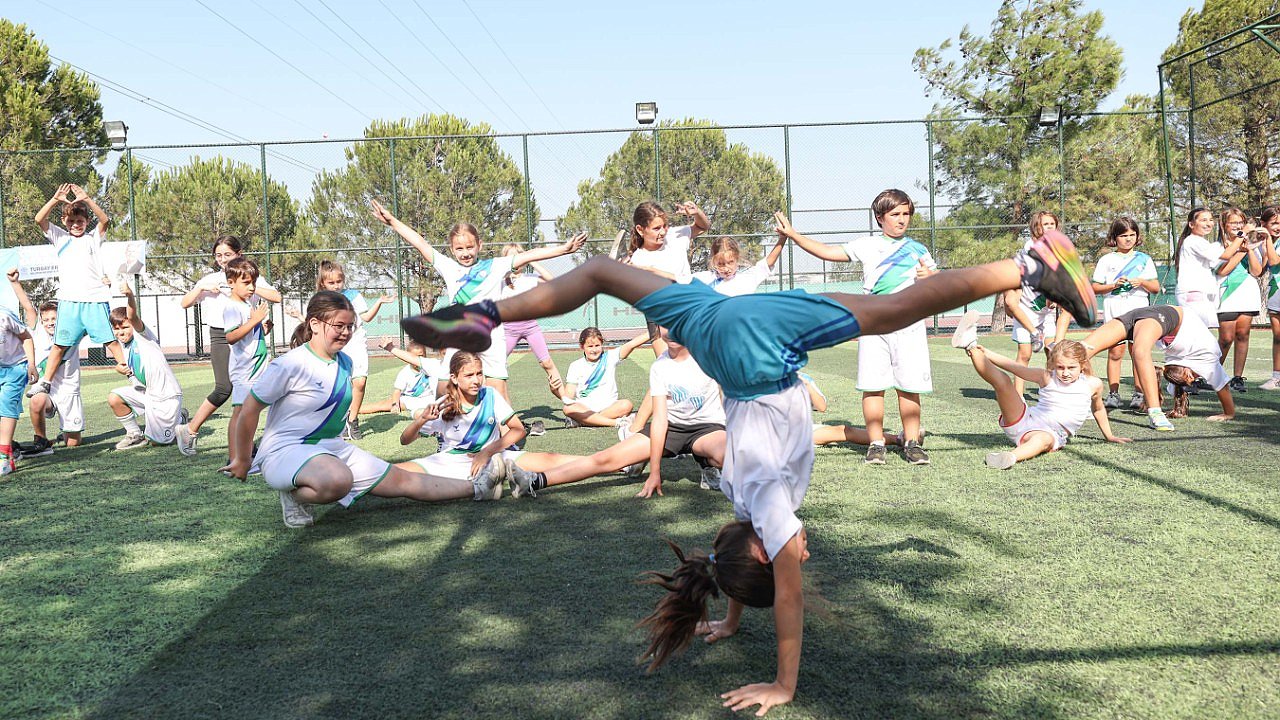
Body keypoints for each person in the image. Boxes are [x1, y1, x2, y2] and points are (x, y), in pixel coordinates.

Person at [402, 224, 1097, 715]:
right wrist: (730, 619)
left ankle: (1031, 267)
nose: (800, 556)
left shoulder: (766, 509)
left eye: (781, 557)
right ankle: (482, 316)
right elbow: (736, 556)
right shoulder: (744, 507)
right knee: (600, 274)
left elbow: (784, 588)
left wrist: (784, 684)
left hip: (755, 353)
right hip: (722, 327)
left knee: (893, 310)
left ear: (762, 549)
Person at [221, 292, 509, 529]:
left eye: (350, 326)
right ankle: (294, 495)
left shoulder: (345, 362)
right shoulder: (289, 364)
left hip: (331, 448)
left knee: (401, 481)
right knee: (338, 480)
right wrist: (243, 459)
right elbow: (249, 410)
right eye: (339, 325)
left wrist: (480, 486)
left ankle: (478, 487)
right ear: (315, 324)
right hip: (285, 450)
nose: (346, 332)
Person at [369, 199, 584, 402]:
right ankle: (447, 426)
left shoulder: (495, 265)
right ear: (452, 249)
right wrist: (392, 221)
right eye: (459, 248)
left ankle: (503, 429)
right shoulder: (448, 267)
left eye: (470, 247)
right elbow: (420, 243)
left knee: (498, 393)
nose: (465, 253)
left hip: (492, 336)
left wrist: (563, 249)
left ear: (479, 245)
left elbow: (530, 255)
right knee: (444, 388)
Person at [776, 190, 935, 465]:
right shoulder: (867, 245)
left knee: (909, 387)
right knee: (873, 387)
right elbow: (827, 252)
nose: (901, 219)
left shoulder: (918, 249)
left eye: (906, 214)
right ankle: (876, 444)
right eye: (895, 214)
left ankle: (911, 443)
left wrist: (929, 278)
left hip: (909, 326)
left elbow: (937, 283)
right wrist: (793, 235)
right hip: (873, 324)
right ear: (879, 218)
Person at [515, 327, 727, 497]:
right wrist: (655, 472)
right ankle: (534, 480)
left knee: (730, 457)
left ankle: (707, 463)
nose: (671, 331)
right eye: (665, 324)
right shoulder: (660, 366)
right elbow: (661, 420)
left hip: (707, 430)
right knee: (604, 459)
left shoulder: (709, 355)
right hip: (671, 428)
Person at [950, 311, 1129, 469]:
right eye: (1060, 367)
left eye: (1071, 368)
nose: (1065, 373)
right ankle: (970, 344)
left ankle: (1009, 457)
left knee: (1042, 440)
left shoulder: (1093, 384)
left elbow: (1098, 409)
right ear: (1053, 365)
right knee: (1003, 381)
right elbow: (1014, 367)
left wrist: (1109, 436)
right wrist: (986, 352)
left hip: (1049, 433)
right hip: (1023, 418)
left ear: (1082, 365)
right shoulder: (1046, 377)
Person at [178, 236, 282, 450]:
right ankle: (191, 430)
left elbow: (276, 297)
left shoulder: (248, 276)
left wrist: (247, 283)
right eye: (218, 255)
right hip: (221, 336)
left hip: (249, 336)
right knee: (225, 388)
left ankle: (245, 446)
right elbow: (185, 303)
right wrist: (201, 288)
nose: (223, 259)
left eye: (227, 254)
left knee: (252, 395)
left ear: (239, 253)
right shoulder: (212, 279)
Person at [29, 184, 125, 397]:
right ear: (64, 221)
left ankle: (131, 374)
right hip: (69, 302)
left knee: (111, 341)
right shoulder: (60, 237)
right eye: (71, 221)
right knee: (59, 345)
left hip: (94, 300)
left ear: (87, 222)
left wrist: (87, 199)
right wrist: (55, 199)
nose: (75, 224)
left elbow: (105, 220)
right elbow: (39, 219)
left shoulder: (93, 238)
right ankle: (46, 382)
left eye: (80, 221)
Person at [1075, 304, 1235, 427]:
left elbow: (1178, 384)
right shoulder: (1208, 356)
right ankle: (1155, 412)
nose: (1196, 378)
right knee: (1139, 351)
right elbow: (1222, 386)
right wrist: (1229, 413)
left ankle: (1081, 404)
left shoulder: (1177, 368)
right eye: (1193, 377)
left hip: (1140, 316)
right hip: (1165, 316)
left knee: (1079, 351)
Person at [313, 260, 395, 440]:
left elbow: (366, 317)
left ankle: (352, 420)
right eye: (331, 282)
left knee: (360, 382)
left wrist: (379, 302)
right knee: (336, 385)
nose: (336, 285)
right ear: (323, 283)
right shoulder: (321, 300)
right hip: (332, 344)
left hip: (355, 341)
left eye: (339, 281)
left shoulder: (353, 295)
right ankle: (336, 421)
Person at [106, 281, 187, 451]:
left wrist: (130, 295)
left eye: (125, 327)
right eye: (116, 329)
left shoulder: (143, 336)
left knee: (158, 443)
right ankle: (134, 434)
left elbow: (133, 316)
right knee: (115, 397)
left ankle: (179, 419)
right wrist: (119, 369)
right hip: (148, 394)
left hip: (165, 395)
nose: (121, 332)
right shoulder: (124, 346)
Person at [7, 269, 81, 456]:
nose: (50, 322)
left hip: (68, 391)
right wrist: (15, 283)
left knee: (73, 443)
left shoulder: (72, 332)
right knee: (36, 400)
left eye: (54, 318)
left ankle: (64, 435)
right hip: (45, 389)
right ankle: (41, 441)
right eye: (46, 319)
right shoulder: (37, 331)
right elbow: (28, 307)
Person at [1090, 217, 1160, 410]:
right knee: (1115, 352)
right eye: (1123, 235)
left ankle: (1139, 393)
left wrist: (1142, 282)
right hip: (1115, 308)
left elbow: (1155, 287)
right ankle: (1113, 394)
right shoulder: (1106, 260)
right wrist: (1114, 285)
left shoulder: (1144, 259)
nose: (1128, 239)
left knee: (1138, 351)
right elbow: (1095, 287)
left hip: (1139, 309)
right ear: (1114, 238)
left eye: (1132, 235)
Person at [1004, 211, 1063, 398]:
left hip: (1045, 311)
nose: (1049, 227)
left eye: (1052, 224)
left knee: (1052, 352)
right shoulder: (1031, 246)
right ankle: (1018, 396)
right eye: (1045, 224)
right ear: (1037, 227)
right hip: (1027, 308)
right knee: (1025, 354)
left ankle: (1051, 390)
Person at [499, 244, 565, 403]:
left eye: (519, 256)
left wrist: (532, 259)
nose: (516, 261)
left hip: (530, 326)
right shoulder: (499, 281)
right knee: (496, 366)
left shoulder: (530, 278)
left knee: (547, 363)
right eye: (511, 257)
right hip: (508, 329)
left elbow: (554, 281)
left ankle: (568, 401)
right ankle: (499, 409)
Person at [222, 258, 274, 457]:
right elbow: (231, 337)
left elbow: (248, 337)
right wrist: (255, 321)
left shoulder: (245, 306)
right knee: (240, 412)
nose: (252, 287)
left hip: (257, 368)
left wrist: (262, 329)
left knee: (250, 411)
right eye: (246, 283)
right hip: (245, 370)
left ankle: (247, 451)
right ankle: (234, 457)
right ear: (231, 282)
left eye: (253, 282)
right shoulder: (232, 307)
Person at [1214, 209, 1265, 392]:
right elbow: (1223, 270)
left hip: (1247, 293)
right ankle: (1212, 374)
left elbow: (1256, 271)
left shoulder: (1251, 244)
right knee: (1226, 338)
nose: (1237, 226)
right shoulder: (1218, 247)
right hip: (1226, 294)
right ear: (1224, 225)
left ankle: (1237, 377)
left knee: (1243, 334)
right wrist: (1241, 251)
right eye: (1233, 223)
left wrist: (1249, 249)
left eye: (1240, 223)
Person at [555, 327, 648, 428]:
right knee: (568, 408)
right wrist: (555, 390)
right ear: (582, 346)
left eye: (597, 345)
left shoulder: (610, 357)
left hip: (609, 408)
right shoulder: (575, 365)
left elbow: (631, 344)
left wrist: (654, 331)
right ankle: (616, 422)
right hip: (584, 409)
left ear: (602, 344)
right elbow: (568, 397)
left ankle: (583, 421)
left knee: (626, 405)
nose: (594, 350)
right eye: (590, 346)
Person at [1175, 207, 1234, 331]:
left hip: (1201, 293)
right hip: (1193, 293)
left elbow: (1219, 260)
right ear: (1191, 224)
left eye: (1211, 220)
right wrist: (1242, 235)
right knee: (1196, 332)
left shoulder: (1204, 243)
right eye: (1203, 220)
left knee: (1201, 332)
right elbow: (1226, 255)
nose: (1208, 224)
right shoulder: (1193, 241)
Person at [625, 201, 711, 283]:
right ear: (640, 230)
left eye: (665, 226)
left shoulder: (674, 235)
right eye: (656, 229)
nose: (663, 232)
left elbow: (702, 227)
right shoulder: (639, 261)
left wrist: (697, 213)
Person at [360, 340, 442, 416]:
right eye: (414, 357)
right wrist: (395, 405)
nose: (417, 359)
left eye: (421, 356)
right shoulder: (404, 373)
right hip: (409, 400)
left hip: (430, 399)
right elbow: (397, 391)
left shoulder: (431, 365)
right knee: (383, 405)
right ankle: (355, 409)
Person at [690, 234, 786, 296]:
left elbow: (768, 263)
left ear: (737, 258)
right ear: (713, 261)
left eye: (730, 262)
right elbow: (682, 281)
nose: (726, 268)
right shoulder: (704, 279)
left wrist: (783, 238)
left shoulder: (748, 278)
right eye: (721, 264)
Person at [1258, 206, 1280, 390]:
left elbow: (1274, 261)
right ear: (1263, 224)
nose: (1278, 227)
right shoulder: (1267, 242)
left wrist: (1267, 241)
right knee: (1278, 337)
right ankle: (1276, 377)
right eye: (1274, 223)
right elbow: (1261, 268)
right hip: (1275, 291)